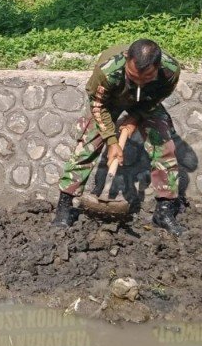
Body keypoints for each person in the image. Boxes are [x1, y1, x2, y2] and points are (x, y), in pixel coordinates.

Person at [54, 39, 184, 234]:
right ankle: (65, 205)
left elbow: (156, 99)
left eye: (147, 78)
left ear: (157, 67)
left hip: (146, 103)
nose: (139, 82)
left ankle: (164, 211)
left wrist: (135, 118)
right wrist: (111, 140)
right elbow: (98, 104)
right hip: (109, 101)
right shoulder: (107, 71)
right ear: (126, 60)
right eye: (133, 76)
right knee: (88, 143)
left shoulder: (170, 72)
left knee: (164, 146)